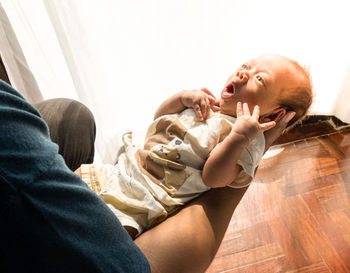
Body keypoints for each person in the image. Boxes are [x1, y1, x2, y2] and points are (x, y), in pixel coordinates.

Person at [75, 53, 313, 239]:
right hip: (122, 170)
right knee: (73, 182)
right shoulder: (207, 104)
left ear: (275, 113)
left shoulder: (247, 141)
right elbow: (158, 121)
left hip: (147, 200)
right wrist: (181, 99)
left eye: (260, 79)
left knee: (106, 233)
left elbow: (214, 178)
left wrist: (239, 137)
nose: (243, 74)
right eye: (245, 66)